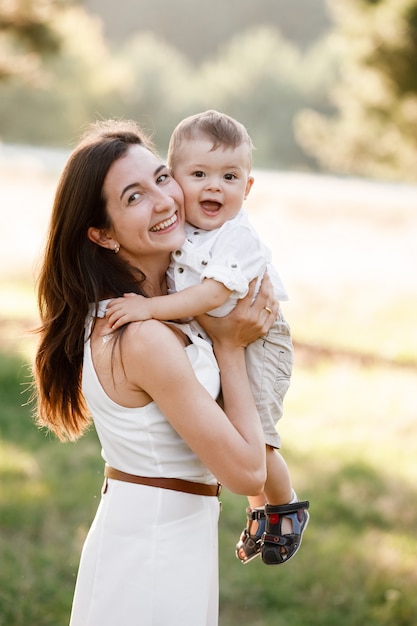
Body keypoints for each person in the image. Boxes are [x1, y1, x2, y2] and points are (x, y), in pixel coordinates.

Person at [31, 118, 279, 626]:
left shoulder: (157, 309)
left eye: (163, 178)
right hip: (153, 552)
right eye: (134, 197)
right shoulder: (140, 334)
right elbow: (247, 473)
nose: (165, 201)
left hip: (170, 536)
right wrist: (231, 349)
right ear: (100, 234)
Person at [105, 110, 310, 567]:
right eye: (199, 174)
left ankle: (283, 508)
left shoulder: (237, 237)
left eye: (229, 176)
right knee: (231, 424)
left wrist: (150, 308)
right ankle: (260, 507)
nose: (214, 186)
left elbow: (214, 292)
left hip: (261, 340)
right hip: (226, 332)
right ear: (177, 180)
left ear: (248, 188)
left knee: (259, 440)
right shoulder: (186, 231)